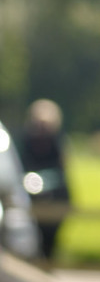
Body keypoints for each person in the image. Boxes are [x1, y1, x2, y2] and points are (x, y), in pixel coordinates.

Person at [19, 99, 71, 260]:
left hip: (55, 198)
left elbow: (61, 172)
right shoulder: (26, 141)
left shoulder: (57, 143)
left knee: (49, 243)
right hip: (29, 199)